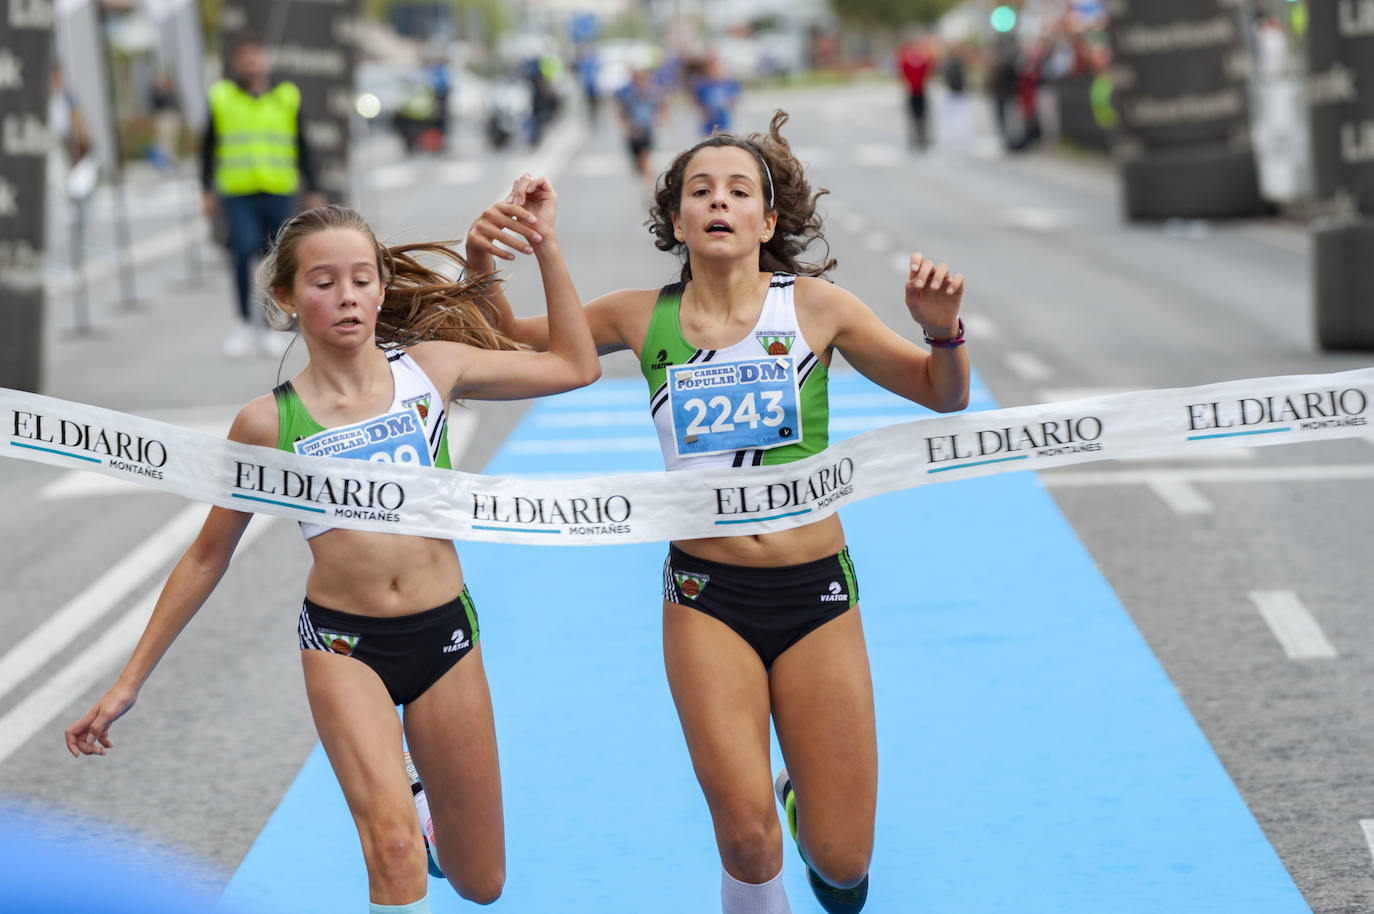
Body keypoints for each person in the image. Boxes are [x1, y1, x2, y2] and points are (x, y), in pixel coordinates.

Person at [467, 111, 969, 914]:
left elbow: (945, 397)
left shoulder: (817, 308)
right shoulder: (642, 315)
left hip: (816, 595)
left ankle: (807, 806)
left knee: (842, 865)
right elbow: (514, 342)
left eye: (740, 190)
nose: (718, 202)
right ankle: (770, 835)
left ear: (768, 221)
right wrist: (492, 256)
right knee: (745, 836)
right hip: (707, 598)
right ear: (676, 220)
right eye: (700, 191)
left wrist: (944, 334)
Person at [64, 179, 602, 914]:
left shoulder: (432, 370)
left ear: (382, 291)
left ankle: (421, 801)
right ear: (287, 299)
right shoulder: (266, 424)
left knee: (483, 882)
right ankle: (400, 811)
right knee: (391, 853)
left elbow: (577, 365)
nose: (347, 296)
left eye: (361, 278)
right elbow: (206, 555)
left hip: (446, 634)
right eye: (324, 282)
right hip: (344, 645)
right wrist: (128, 682)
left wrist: (545, 247)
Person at [201, 36, 326, 359]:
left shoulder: (286, 96)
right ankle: (244, 322)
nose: (251, 62)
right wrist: (206, 188)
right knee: (242, 253)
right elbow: (208, 146)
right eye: (245, 57)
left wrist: (313, 187)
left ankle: (274, 324)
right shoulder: (223, 96)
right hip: (238, 192)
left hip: (278, 189)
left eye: (256, 56)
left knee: (277, 259)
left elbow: (302, 143)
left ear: (265, 59)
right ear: (237, 63)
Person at [614, 68, 664, 198]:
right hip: (633, 134)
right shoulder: (628, 96)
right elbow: (621, 112)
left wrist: (659, 119)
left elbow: (660, 107)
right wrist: (627, 126)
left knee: (645, 159)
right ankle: (648, 178)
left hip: (646, 131)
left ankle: (650, 187)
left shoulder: (652, 94)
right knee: (638, 167)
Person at [896, 33, 933, 152]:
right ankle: (922, 139)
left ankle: (913, 139)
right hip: (920, 89)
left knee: (912, 116)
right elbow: (928, 67)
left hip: (911, 90)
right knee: (922, 116)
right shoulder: (923, 55)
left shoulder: (905, 56)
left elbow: (902, 71)